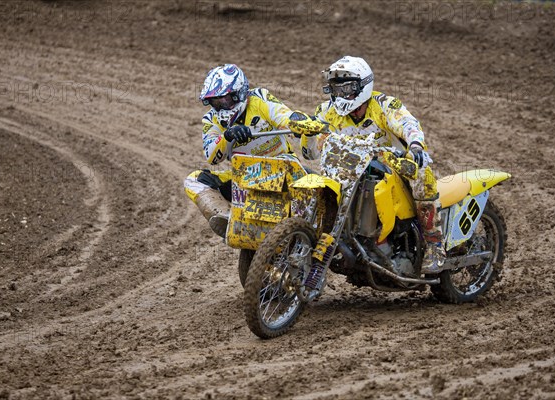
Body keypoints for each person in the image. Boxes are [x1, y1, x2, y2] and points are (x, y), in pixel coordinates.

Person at [288, 56, 445, 273]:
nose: (341, 95)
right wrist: (308, 134)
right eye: (336, 89)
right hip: (345, 170)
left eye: (346, 89)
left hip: (390, 165)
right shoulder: (325, 111)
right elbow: (310, 153)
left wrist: (416, 144)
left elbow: (407, 122)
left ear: (362, 86)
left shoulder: (384, 105)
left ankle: (434, 244)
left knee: (421, 174)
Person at [184, 64, 296, 238]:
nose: (221, 107)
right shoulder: (211, 119)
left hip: (283, 168)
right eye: (216, 102)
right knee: (194, 180)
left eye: (226, 100)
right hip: (245, 178)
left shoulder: (259, 98)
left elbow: (283, 115)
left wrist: (296, 123)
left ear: (240, 93)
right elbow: (212, 157)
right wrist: (227, 137)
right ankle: (227, 218)